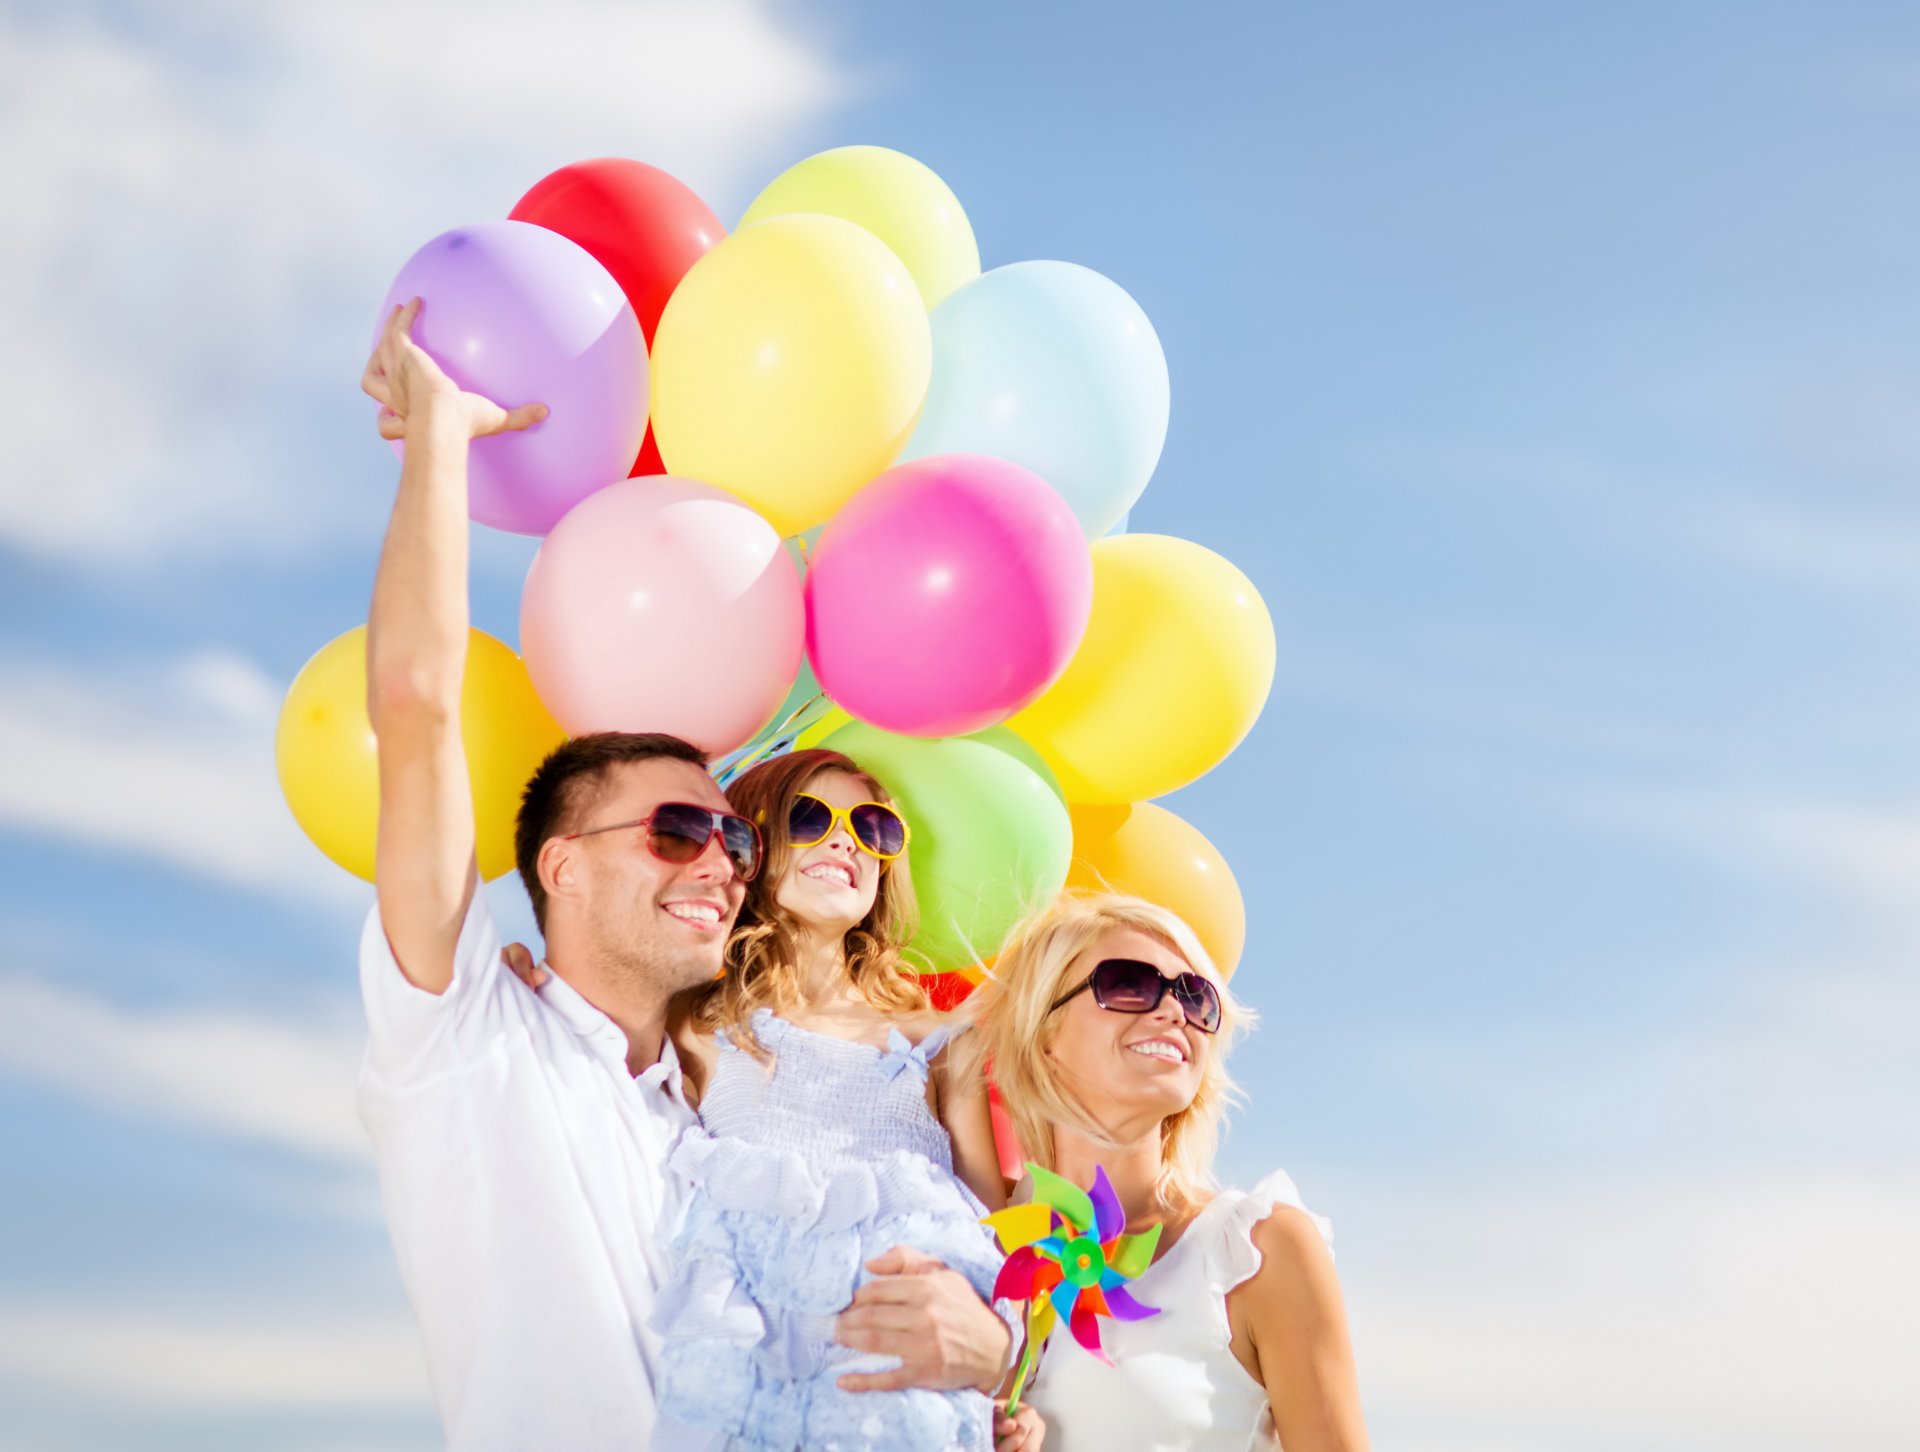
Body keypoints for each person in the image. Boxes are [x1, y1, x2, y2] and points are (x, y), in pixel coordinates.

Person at [355, 300, 1013, 1449]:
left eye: (735, 840)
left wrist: (993, 1370)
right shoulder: (470, 1033)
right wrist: (442, 440)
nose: (721, 859)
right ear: (561, 866)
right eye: (674, 829)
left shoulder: (708, 1117)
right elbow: (417, 705)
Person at [509, 747, 1044, 1451]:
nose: (846, 842)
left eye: (873, 829)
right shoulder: (698, 1020)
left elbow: (996, 1243)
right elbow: (597, 1029)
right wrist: (529, 986)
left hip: (896, 1396)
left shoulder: (942, 1041)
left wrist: (1006, 1381)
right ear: (750, 847)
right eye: (810, 818)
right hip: (751, 1381)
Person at [961, 893, 1368, 1452]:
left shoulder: (1257, 1251)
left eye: (1197, 998)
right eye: (1129, 983)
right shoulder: (972, 1240)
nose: (1175, 1010)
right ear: (1044, 1032)